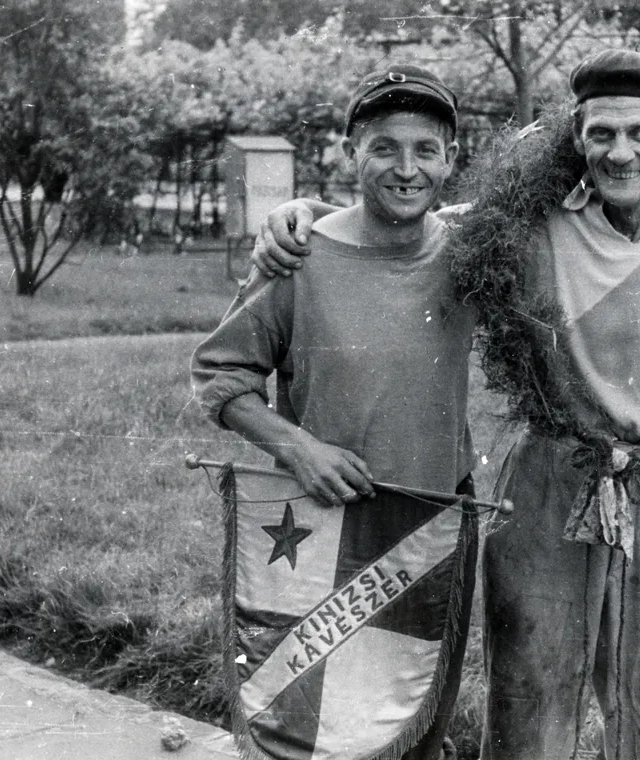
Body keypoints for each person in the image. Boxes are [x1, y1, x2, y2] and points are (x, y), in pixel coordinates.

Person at [257, 49, 640, 760]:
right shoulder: (534, 224)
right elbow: (405, 223)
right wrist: (302, 214)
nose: (621, 153)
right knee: (528, 701)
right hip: (546, 487)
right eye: (601, 133)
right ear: (577, 138)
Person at [191, 63, 474, 760]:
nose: (406, 169)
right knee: (314, 728)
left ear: (450, 159)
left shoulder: (470, 255)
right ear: (351, 152)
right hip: (323, 527)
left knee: (415, 717)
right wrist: (298, 449)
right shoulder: (300, 255)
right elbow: (220, 377)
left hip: (430, 524)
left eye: (426, 150)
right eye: (383, 148)